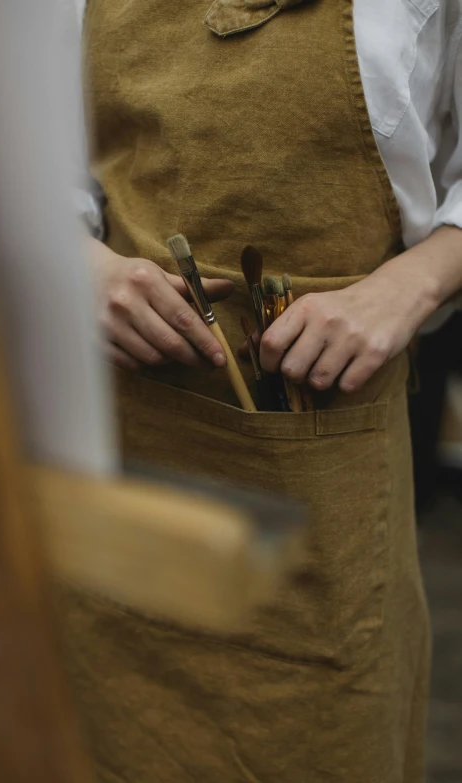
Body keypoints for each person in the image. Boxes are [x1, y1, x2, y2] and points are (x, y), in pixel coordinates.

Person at [59, 1, 462, 781]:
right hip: (121, 445)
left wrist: (407, 289)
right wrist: (79, 267)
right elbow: (7, 152)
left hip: (325, 458)